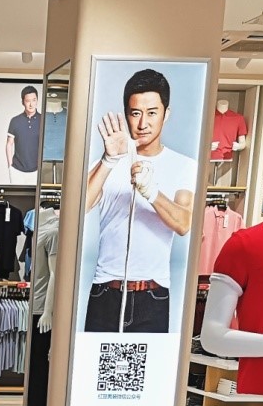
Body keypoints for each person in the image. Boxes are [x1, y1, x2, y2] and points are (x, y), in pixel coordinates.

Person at [84, 68, 196, 333]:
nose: (143, 123)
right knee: (96, 362)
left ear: (166, 114)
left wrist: (152, 192)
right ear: (126, 115)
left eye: (152, 113)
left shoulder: (184, 166)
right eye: (135, 113)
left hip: (152, 294)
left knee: (149, 362)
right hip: (105, 290)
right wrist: (109, 159)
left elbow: (184, 223)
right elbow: (77, 208)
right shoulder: (107, 163)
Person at [6, 85, 42, 175]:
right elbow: (9, 144)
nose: (31, 104)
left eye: (34, 100)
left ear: (37, 101)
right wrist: (10, 166)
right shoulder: (15, 121)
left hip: (37, 170)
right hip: (17, 170)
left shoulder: (43, 120)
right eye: (28, 101)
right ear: (23, 102)